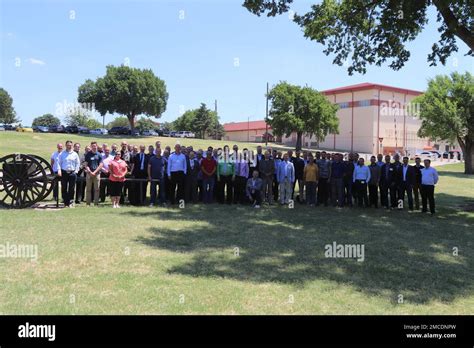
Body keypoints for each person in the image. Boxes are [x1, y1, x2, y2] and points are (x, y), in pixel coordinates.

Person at [57, 140, 80, 207]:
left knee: (72, 188)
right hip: (64, 172)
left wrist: (76, 171)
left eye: (70, 145)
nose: (69, 146)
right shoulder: (62, 154)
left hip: (72, 173)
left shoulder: (75, 154)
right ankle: (65, 202)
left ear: (72, 146)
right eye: (68, 145)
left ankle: (70, 201)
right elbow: (58, 163)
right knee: (64, 188)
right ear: (66, 145)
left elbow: (78, 163)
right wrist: (59, 170)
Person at [84, 141, 103, 206]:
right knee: (88, 189)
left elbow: (100, 165)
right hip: (89, 174)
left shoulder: (99, 154)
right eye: (92, 146)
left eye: (95, 146)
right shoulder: (88, 154)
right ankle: (88, 203)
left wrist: (94, 172)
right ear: (91, 146)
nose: (94, 147)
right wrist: (90, 172)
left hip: (97, 174)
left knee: (97, 189)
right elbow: (86, 165)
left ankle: (96, 203)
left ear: (96, 146)